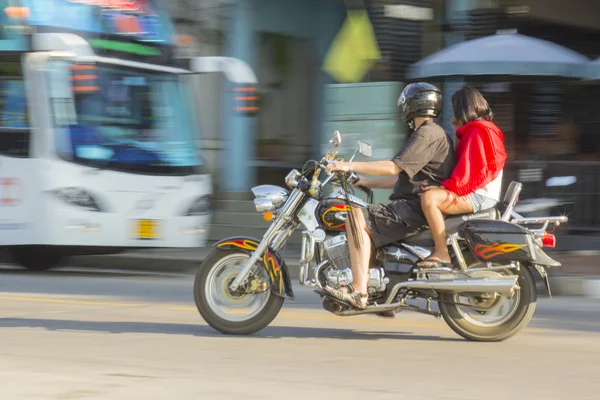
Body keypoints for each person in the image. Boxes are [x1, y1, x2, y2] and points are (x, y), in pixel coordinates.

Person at [324, 82, 455, 310]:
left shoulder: (426, 134)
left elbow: (393, 168)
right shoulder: (430, 133)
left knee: (356, 217)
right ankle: (384, 298)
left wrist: (346, 165)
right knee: (367, 218)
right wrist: (367, 182)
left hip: (412, 209)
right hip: (413, 205)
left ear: (413, 105)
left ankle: (358, 290)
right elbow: (404, 176)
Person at [417, 85, 507, 268]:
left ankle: (441, 253)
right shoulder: (477, 130)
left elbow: (471, 173)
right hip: (479, 193)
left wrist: (444, 188)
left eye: (456, 108)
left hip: (479, 196)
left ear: (463, 109)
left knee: (430, 199)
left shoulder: (478, 132)